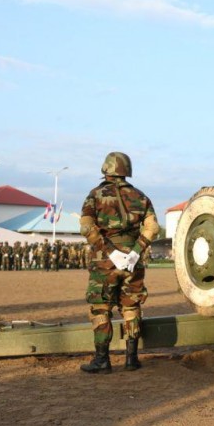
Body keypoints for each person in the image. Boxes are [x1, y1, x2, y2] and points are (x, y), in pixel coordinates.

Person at [78, 152, 160, 374]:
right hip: (133, 261)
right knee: (131, 306)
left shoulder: (95, 195)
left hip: (105, 261)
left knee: (101, 307)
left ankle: (102, 361)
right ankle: (131, 359)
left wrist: (110, 252)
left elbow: (86, 227)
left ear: (106, 168)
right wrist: (135, 252)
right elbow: (153, 228)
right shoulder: (141, 196)